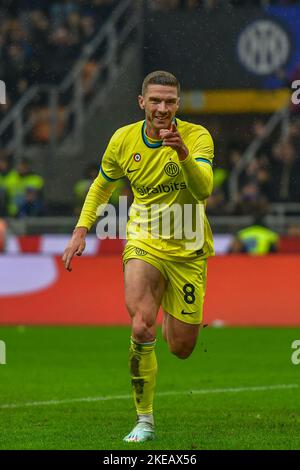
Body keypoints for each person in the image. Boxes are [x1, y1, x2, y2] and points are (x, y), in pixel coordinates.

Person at [62, 70, 214, 443]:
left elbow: (203, 189)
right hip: (143, 240)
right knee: (141, 325)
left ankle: (170, 311)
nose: (163, 108)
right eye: (156, 100)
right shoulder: (123, 139)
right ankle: (144, 420)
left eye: (170, 101)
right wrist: (81, 229)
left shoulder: (197, 137)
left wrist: (182, 154)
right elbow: (102, 184)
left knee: (180, 347)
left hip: (188, 246)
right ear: (141, 102)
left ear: (178, 104)